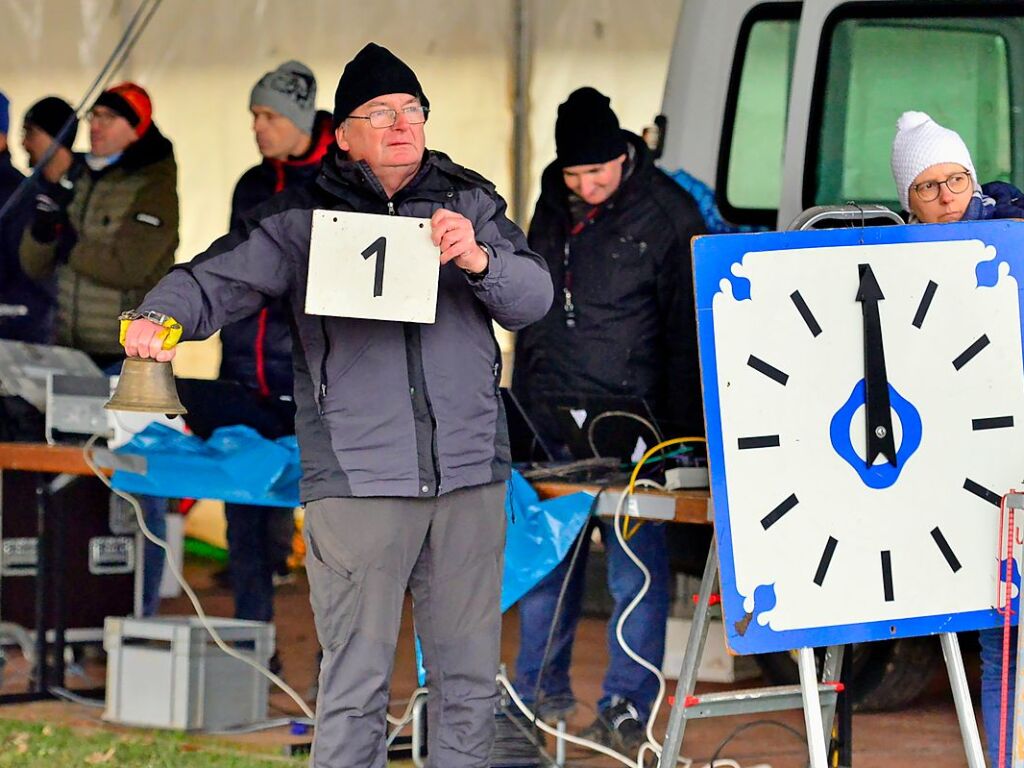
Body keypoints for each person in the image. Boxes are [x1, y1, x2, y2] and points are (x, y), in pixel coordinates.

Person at [120, 43, 553, 767]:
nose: (401, 124)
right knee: (353, 689)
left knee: (470, 686)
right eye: (379, 113)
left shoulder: (470, 199)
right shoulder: (300, 217)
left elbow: (533, 298)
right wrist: (159, 316)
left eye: (412, 110)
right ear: (342, 132)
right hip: (357, 481)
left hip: (470, 476)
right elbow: (215, 280)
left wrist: (481, 258)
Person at [511, 87, 706, 752]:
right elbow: (530, 312)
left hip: (641, 426)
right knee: (546, 565)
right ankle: (536, 700)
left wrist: (684, 440)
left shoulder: (668, 213)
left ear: (624, 154)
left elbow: (688, 334)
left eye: (597, 173)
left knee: (635, 574)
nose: (587, 186)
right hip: (551, 420)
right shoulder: (549, 201)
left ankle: (626, 708)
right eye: (573, 175)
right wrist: (520, 409)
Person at [890, 109, 1024, 768]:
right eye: (928, 187)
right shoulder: (895, 260)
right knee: (1000, 643)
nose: (948, 198)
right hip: (972, 480)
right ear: (906, 199)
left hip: (1014, 462)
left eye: (957, 180)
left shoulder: (1015, 239)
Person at [20, 82, 179, 618]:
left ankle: (141, 616)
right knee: (77, 487)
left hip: (132, 360)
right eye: (95, 116)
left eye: (109, 118)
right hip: (71, 349)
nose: (96, 126)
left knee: (142, 485)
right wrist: (44, 230)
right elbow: (36, 265)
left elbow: (132, 266)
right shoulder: (82, 177)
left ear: (137, 127)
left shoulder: (156, 182)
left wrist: (70, 242)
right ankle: (83, 613)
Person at [218, 61, 334, 665]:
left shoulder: (342, 181)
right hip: (246, 381)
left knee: (328, 535)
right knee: (246, 525)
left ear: (300, 117)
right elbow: (231, 275)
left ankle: (330, 662)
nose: (258, 128)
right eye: (254, 116)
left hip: (314, 389)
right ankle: (249, 650)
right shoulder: (250, 185)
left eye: (268, 116)